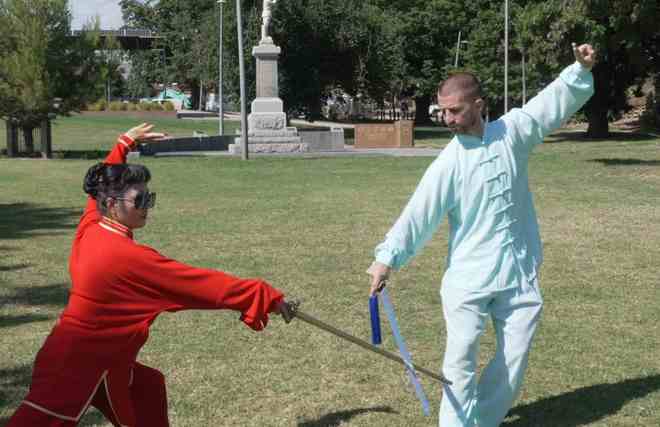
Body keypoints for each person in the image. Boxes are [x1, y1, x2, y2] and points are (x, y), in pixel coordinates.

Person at [367, 44, 596, 426]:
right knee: (459, 364)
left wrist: (579, 68)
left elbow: (549, 103)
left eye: (454, 110)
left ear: (479, 105)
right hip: (468, 279)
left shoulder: (513, 133)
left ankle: (483, 420)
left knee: (514, 361)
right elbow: (418, 214)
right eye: (443, 112)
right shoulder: (448, 164)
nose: (447, 119)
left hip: (519, 274)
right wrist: (385, 259)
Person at [7, 123, 291, 427]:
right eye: (139, 201)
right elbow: (201, 284)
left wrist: (124, 144)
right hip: (73, 367)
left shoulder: (91, 226)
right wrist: (266, 296)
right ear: (113, 204)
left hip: (104, 359)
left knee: (147, 390)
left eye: (148, 198)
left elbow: (101, 186)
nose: (146, 207)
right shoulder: (128, 257)